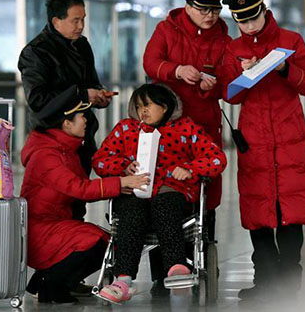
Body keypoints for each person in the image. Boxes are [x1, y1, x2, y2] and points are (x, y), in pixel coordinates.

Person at [219, 0, 305, 301]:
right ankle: (264, 281)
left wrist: (284, 68)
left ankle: (289, 281)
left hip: (290, 137)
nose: (249, 27)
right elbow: (229, 94)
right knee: (259, 212)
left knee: (290, 212)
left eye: (254, 19)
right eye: (242, 22)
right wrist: (243, 73)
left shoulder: (290, 41)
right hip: (255, 140)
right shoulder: (233, 48)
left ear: (264, 11)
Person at [91, 83, 227, 304]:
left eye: (147, 105)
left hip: (171, 189)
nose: (142, 111)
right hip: (135, 190)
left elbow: (216, 158)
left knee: (165, 205)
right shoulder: (126, 129)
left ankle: (176, 268)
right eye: (138, 106)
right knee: (130, 212)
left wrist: (190, 169)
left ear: (165, 107)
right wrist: (123, 167)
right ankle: (123, 280)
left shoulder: (185, 128)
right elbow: (100, 160)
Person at [20, 85, 149, 303]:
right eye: (81, 116)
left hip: (53, 227)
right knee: (95, 243)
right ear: (66, 123)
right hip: (41, 232)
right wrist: (119, 183)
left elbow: (82, 188)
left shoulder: (64, 150)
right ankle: (53, 288)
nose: (86, 120)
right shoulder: (47, 156)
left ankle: (44, 281)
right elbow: (79, 188)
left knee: (104, 241)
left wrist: (121, 184)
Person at [142, 0, 231, 293]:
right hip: (168, 127)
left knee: (205, 188)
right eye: (203, 9)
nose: (210, 15)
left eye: (215, 9)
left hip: (204, 128)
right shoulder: (167, 30)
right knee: (163, 189)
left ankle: (203, 252)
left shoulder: (223, 37)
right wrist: (176, 70)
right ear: (188, 7)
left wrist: (215, 87)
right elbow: (150, 63)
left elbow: (230, 80)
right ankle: (164, 268)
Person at [18, 0, 116, 175]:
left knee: (79, 199)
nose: (81, 26)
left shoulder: (82, 45)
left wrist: (99, 95)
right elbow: (38, 101)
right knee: (54, 198)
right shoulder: (36, 52)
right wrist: (83, 94)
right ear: (56, 21)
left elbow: (91, 83)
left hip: (82, 138)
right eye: (75, 20)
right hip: (52, 141)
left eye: (83, 19)